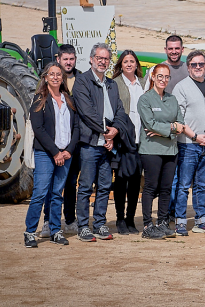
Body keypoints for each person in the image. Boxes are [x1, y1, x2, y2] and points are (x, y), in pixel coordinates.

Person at [73, 43, 131, 242]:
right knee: (86, 186)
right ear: (91, 59)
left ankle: (99, 224)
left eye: (106, 59)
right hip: (90, 143)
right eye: (99, 58)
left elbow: (121, 112)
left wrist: (115, 131)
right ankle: (83, 226)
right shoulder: (82, 82)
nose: (102, 61)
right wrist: (107, 132)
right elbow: (87, 113)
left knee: (105, 186)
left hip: (108, 145)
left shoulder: (112, 84)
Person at [24, 62, 78, 248]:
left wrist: (68, 150)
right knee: (40, 193)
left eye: (58, 74)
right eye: (51, 74)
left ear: (63, 78)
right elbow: (38, 129)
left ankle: (56, 230)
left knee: (57, 194)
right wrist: (55, 152)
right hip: (46, 154)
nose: (55, 77)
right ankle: (30, 232)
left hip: (65, 154)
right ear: (45, 77)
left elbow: (76, 127)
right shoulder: (39, 99)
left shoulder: (68, 99)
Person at [173, 50, 205, 235]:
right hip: (188, 143)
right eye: (194, 64)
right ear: (188, 67)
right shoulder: (181, 87)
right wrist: (195, 136)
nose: (198, 67)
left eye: (201, 64)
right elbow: (178, 118)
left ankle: (201, 220)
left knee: (201, 185)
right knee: (184, 185)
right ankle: (180, 221)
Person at [137, 63, 188, 239]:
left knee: (166, 188)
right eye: (160, 76)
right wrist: (171, 127)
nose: (163, 80)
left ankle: (163, 222)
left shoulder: (172, 99)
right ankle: (147, 225)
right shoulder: (145, 99)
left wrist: (165, 128)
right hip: (151, 150)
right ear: (152, 77)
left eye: (166, 77)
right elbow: (149, 124)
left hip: (170, 150)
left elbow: (181, 125)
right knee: (151, 187)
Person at [111, 50, 144, 235]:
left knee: (135, 182)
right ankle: (120, 218)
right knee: (122, 180)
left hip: (141, 139)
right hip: (124, 139)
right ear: (121, 65)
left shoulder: (144, 83)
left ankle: (131, 218)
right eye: (126, 61)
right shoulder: (115, 84)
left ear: (136, 64)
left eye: (132, 61)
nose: (129, 64)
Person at [56, 43, 81, 237]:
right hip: (56, 141)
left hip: (76, 140)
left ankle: (70, 219)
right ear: (58, 59)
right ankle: (50, 221)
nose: (69, 62)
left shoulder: (82, 79)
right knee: (53, 184)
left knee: (71, 182)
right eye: (65, 59)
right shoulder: (53, 79)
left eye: (71, 59)